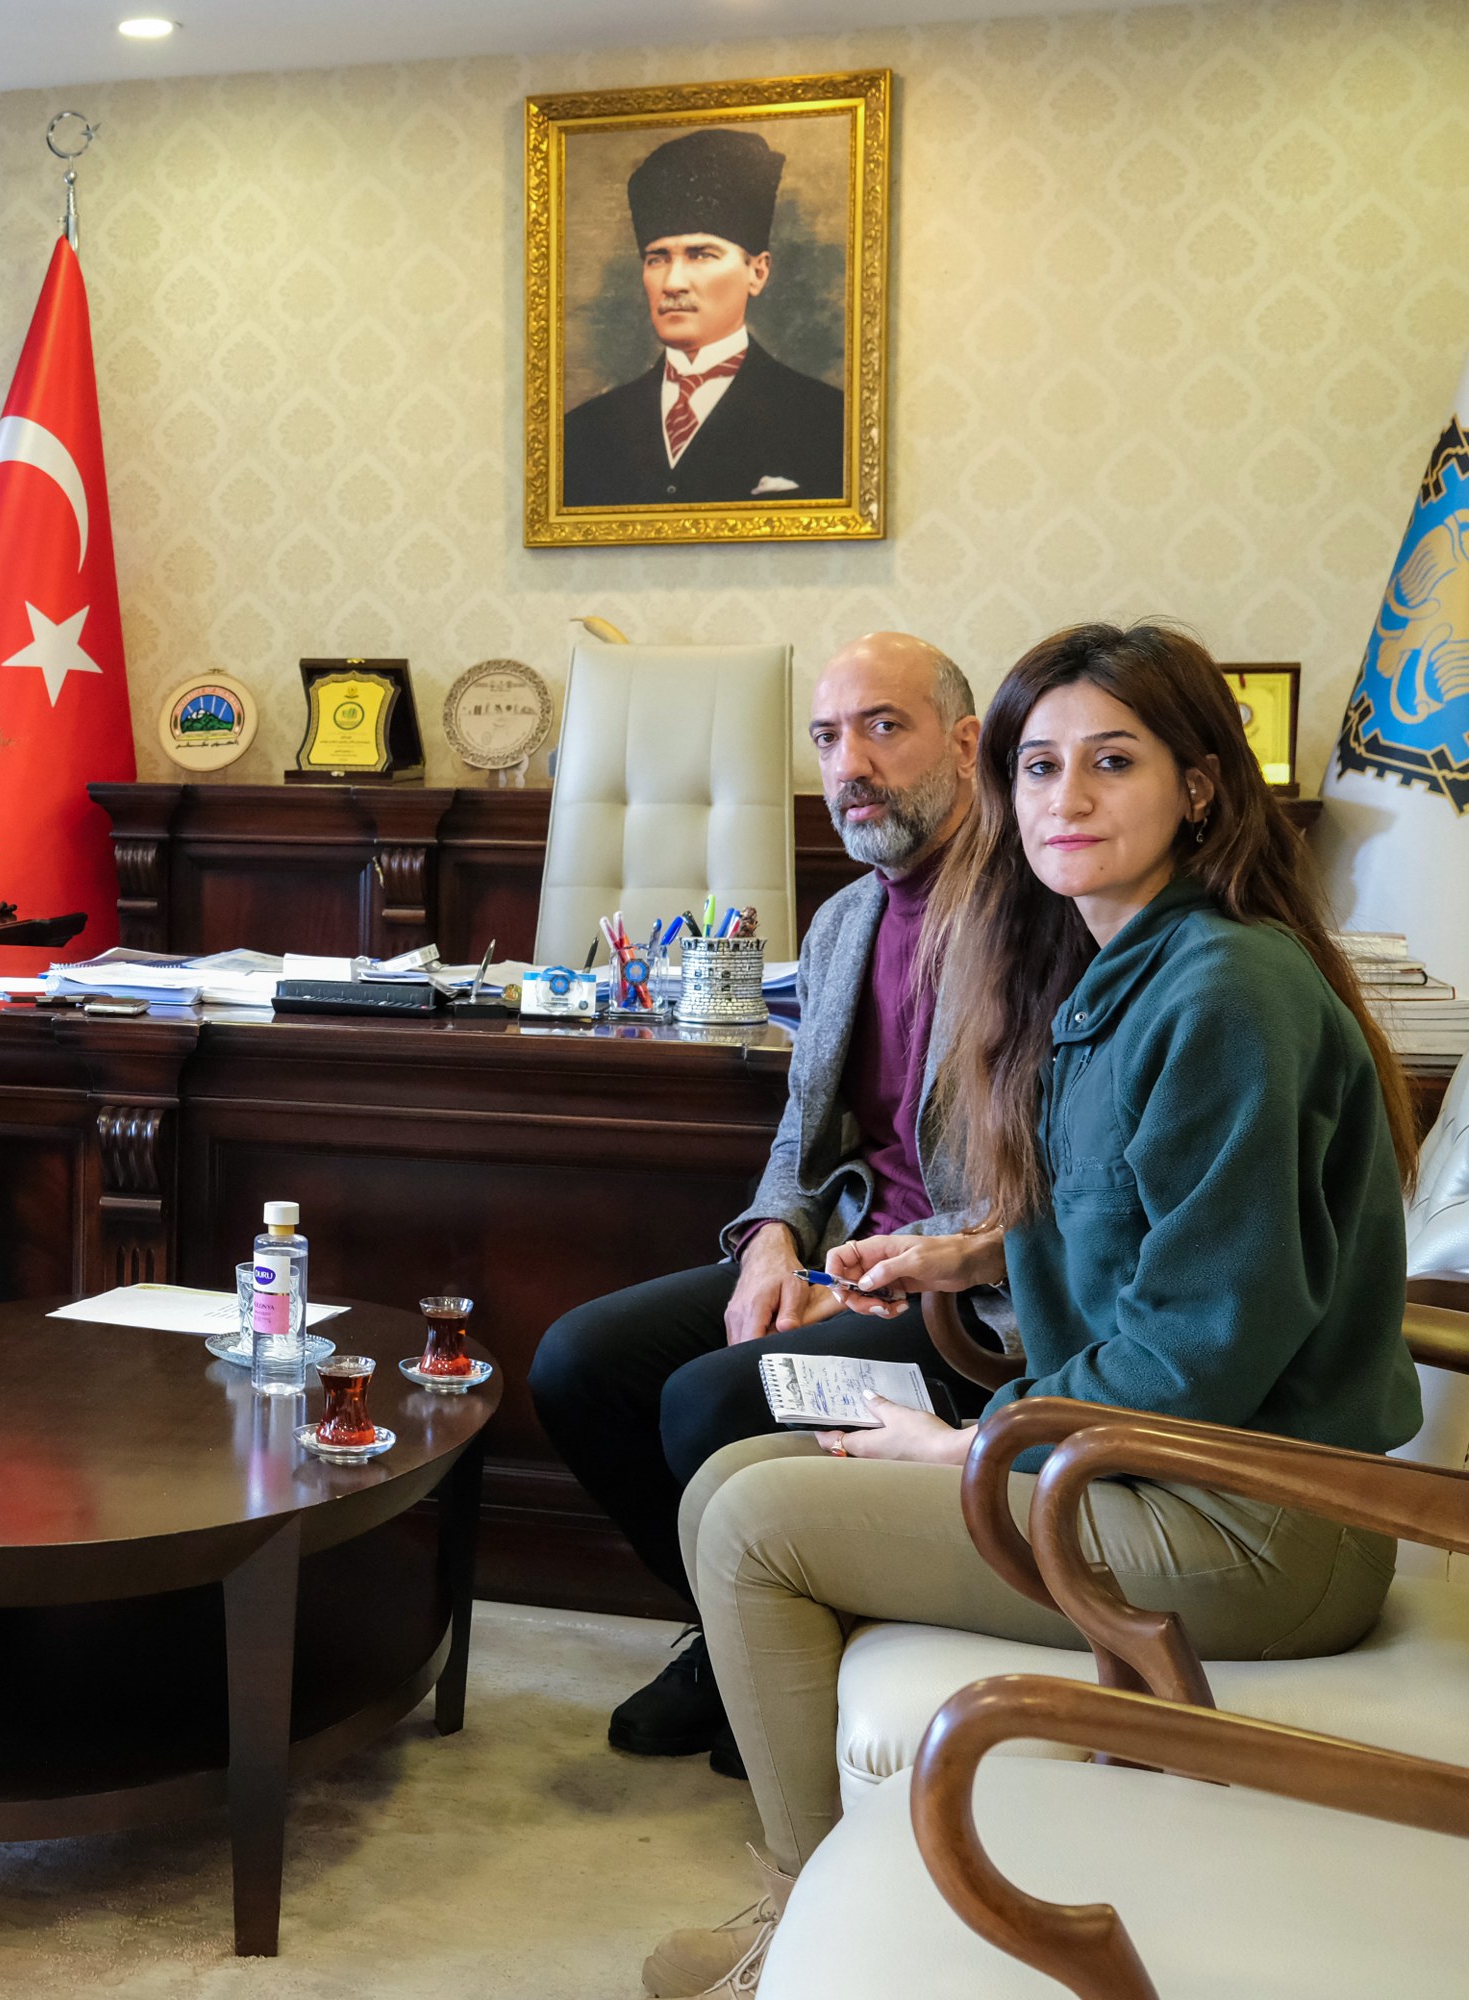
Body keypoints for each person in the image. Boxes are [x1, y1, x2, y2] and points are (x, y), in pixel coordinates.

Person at [652, 622, 1421, 1998]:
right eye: (1039, 766)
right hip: (1149, 1465)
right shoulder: (1126, 969)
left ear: (1198, 785)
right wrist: (967, 1255)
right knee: (724, 1486)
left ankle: (797, 1946)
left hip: (1253, 1514)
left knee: (756, 1523)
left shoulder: (1227, 992)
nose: (1065, 798)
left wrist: (975, 1441)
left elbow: (1201, 1341)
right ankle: (811, 1914)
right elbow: (1138, 1220)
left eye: (1111, 763)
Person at [531, 632, 990, 1781]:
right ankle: (734, 1636)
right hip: (839, 1256)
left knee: (708, 1397)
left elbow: (1038, 1188)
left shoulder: (1038, 920)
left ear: (968, 745)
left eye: (883, 727)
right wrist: (772, 1244)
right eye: (828, 737)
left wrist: (879, 1267)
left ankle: (776, 1662)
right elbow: (801, 1132)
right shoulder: (844, 921)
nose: (850, 765)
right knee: (580, 1362)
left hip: (968, 1300)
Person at [560, 125, 846, 508]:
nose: (673, 282)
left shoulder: (828, 420)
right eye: (657, 258)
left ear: (757, 272)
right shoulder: (584, 431)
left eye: (701, 255)